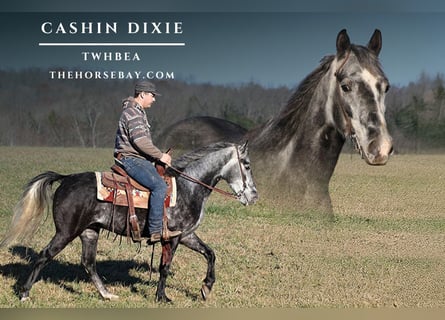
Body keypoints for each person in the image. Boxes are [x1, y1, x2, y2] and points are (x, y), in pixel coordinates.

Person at [114, 80, 181, 243]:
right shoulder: (133, 113)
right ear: (142, 94)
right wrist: (160, 156)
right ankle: (155, 231)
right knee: (159, 186)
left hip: (137, 159)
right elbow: (140, 142)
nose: (154, 99)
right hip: (131, 160)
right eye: (152, 95)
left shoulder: (136, 112)